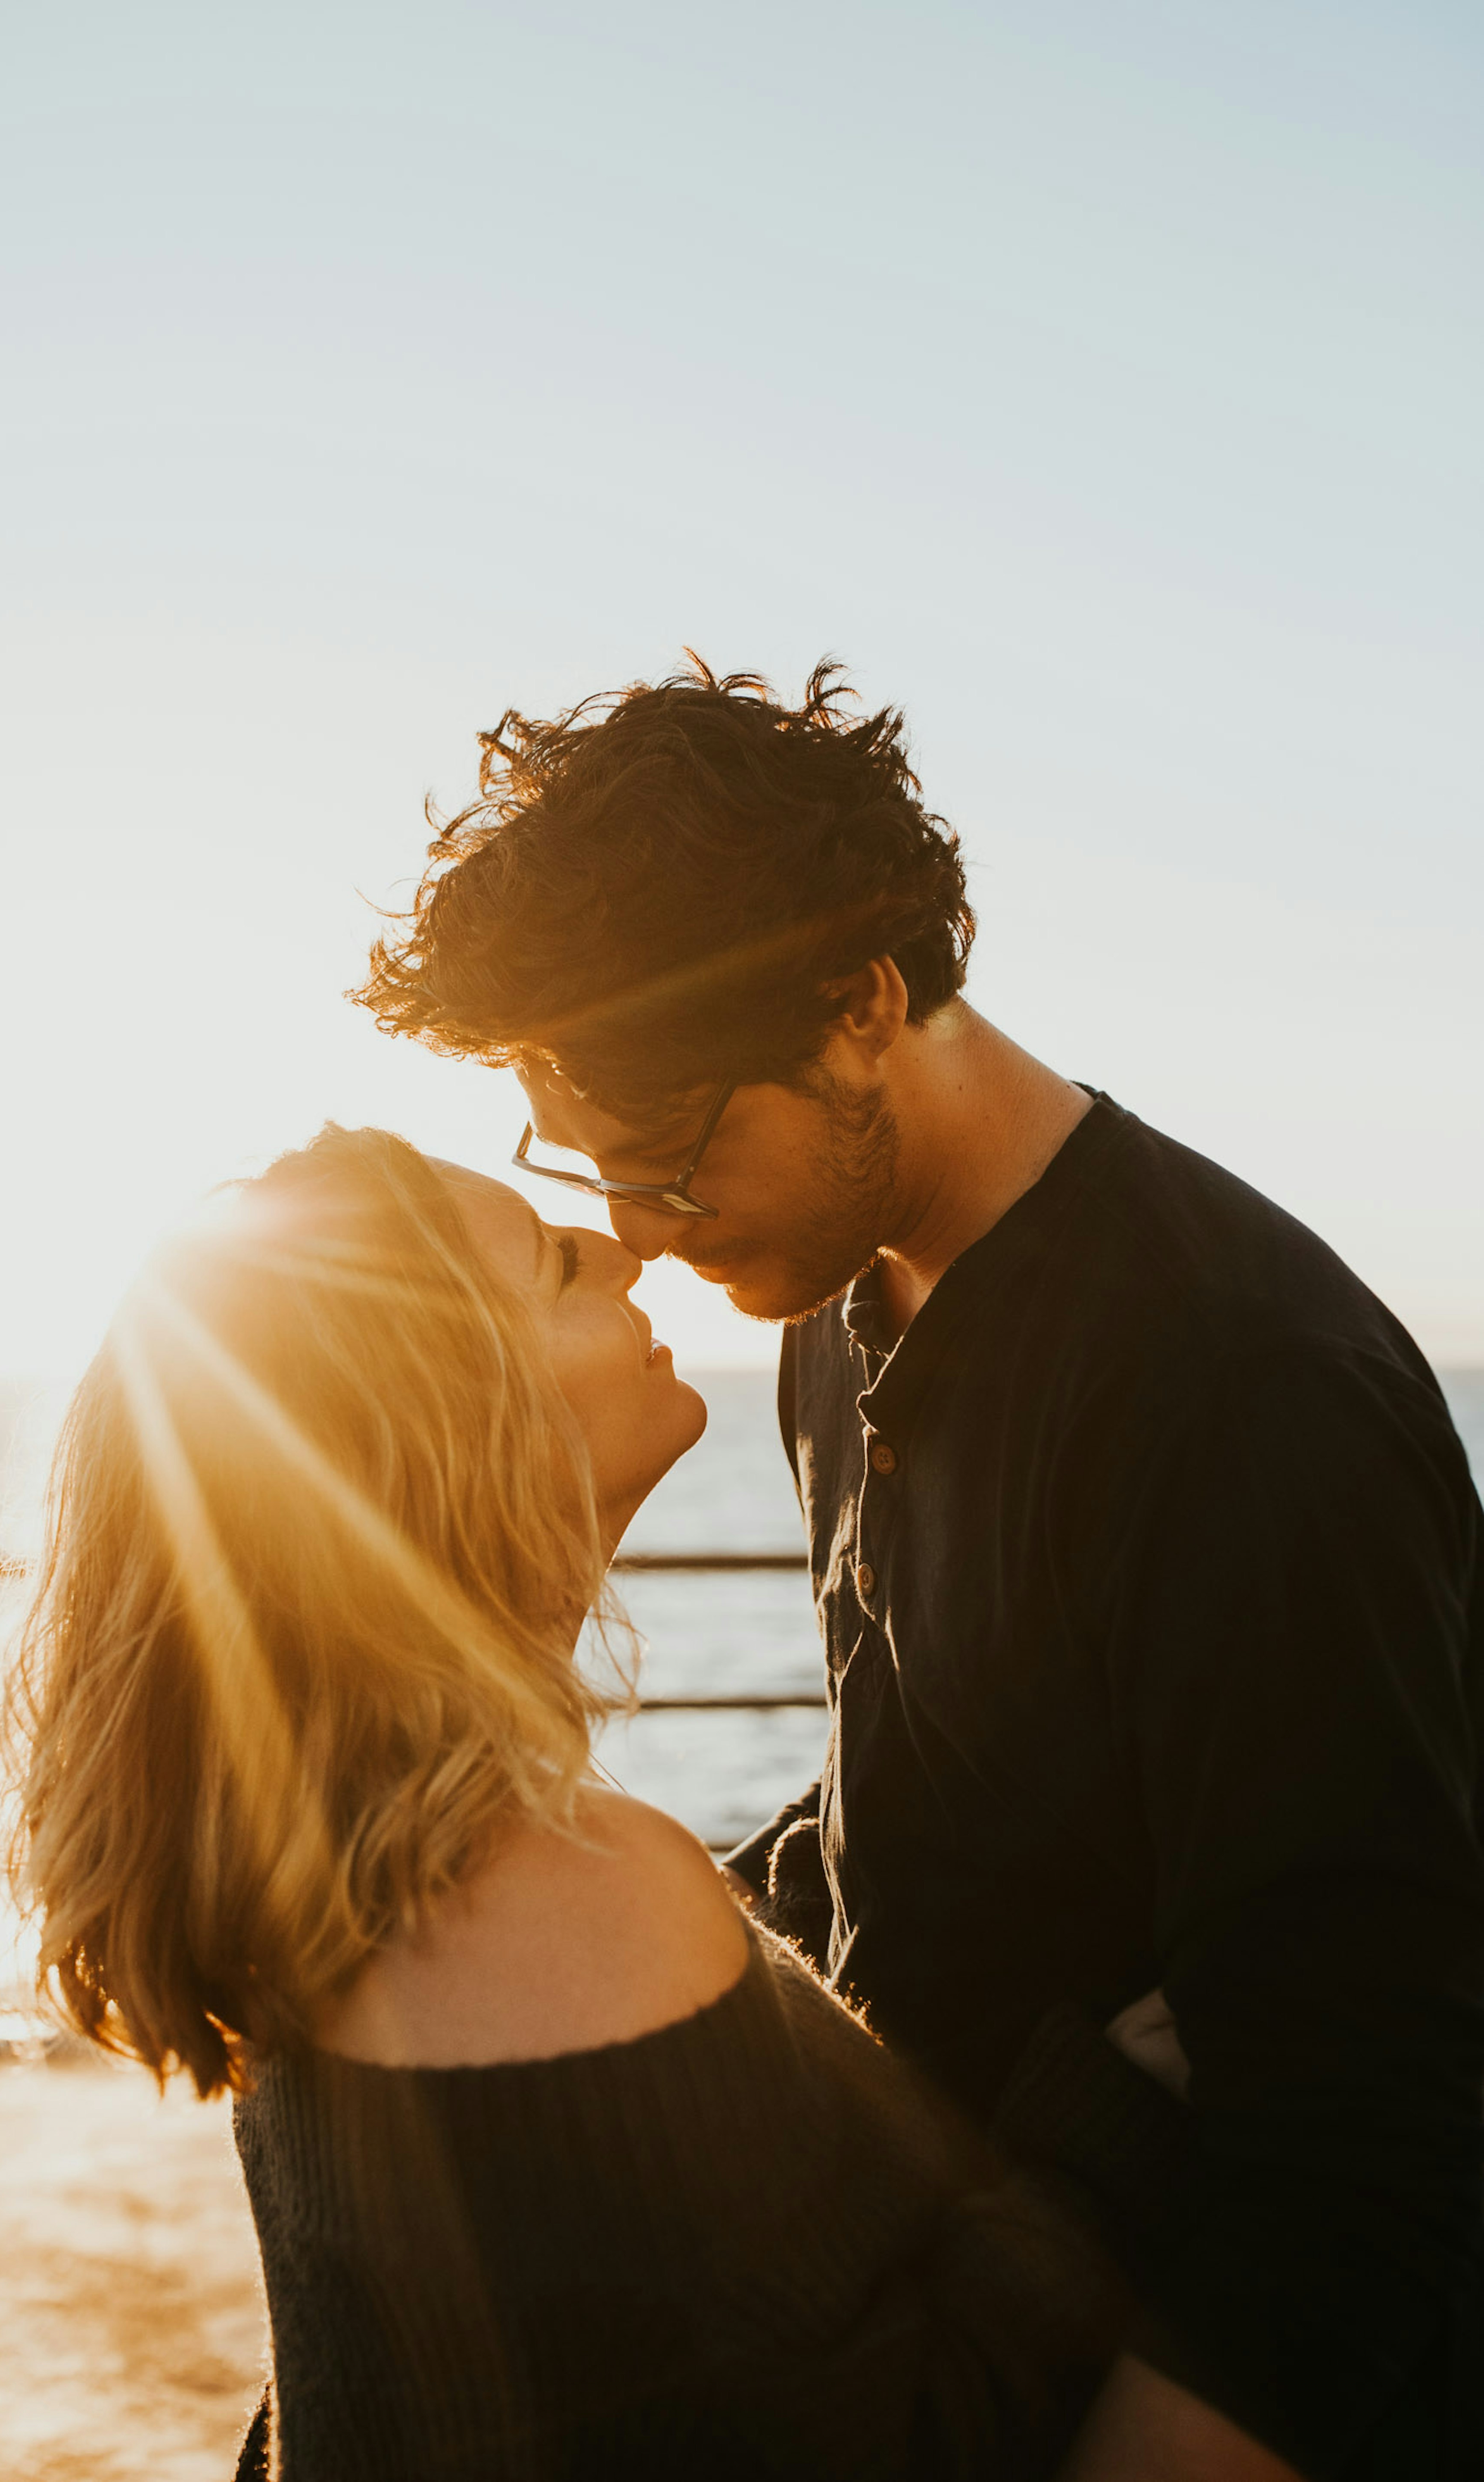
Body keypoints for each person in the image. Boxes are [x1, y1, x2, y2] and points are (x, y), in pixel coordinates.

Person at [355, 658, 1484, 2481]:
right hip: (941, 2329)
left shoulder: (1241, 1392)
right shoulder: (829, 1285)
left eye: (667, 1158)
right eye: (587, 1165)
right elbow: (933, 1795)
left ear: (861, 1002)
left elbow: (1370, 2148)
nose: (639, 1233)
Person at [0, 1123, 1118, 2480]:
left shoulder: (340, 1861)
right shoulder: (550, 1891)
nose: (618, 1248)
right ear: (456, 1421)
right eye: (550, 1263)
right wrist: (1127, 2104)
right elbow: (902, 2437)